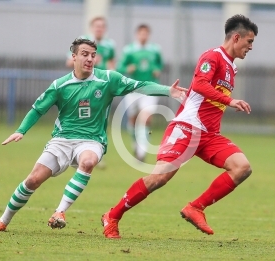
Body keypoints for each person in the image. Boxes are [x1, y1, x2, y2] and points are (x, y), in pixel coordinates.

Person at [0, 38, 186, 232]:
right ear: (73, 57)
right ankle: (3, 221)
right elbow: (38, 109)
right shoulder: (60, 85)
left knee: (88, 161)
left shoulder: (108, 79)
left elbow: (139, 85)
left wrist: (169, 91)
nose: (90, 59)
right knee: (33, 180)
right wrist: (21, 130)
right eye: (84, 54)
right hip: (62, 140)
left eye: (93, 55)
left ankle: (59, 212)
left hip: (92, 140)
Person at [101, 14, 258, 239]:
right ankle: (112, 216)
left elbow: (203, 93)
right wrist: (230, 101)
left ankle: (196, 207)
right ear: (236, 37)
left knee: (242, 167)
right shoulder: (212, 56)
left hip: (210, 135)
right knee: (159, 178)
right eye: (249, 41)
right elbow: (201, 84)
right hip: (187, 128)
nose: (251, 46)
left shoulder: (232, 67)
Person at [66, 16, 116, 169]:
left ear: (105, 29)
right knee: (78, 117)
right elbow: (69, 62)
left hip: (100, 88)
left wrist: (109, 71)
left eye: (102, 26)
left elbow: (112, 65)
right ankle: (74, 150)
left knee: (100, 119)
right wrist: (89, 61)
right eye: (96, 26)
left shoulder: (109, 45)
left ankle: (94, 152)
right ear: (92, 28)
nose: (99, 29)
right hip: (81, 86)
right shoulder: (82, 43)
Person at [118, 24, 164, 162]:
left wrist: (157, 69)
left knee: (146, 118)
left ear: (148, 35)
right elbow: (120, 66)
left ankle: (141, 151)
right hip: (133, 89)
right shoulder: (129, 50)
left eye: (146, 34)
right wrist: (128, 68)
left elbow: (159, 64)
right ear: (137, 34)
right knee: (133, 119)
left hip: (150, 88)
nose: (143, 36)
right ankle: (135, 143)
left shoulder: (155, 50)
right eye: (141, 33)